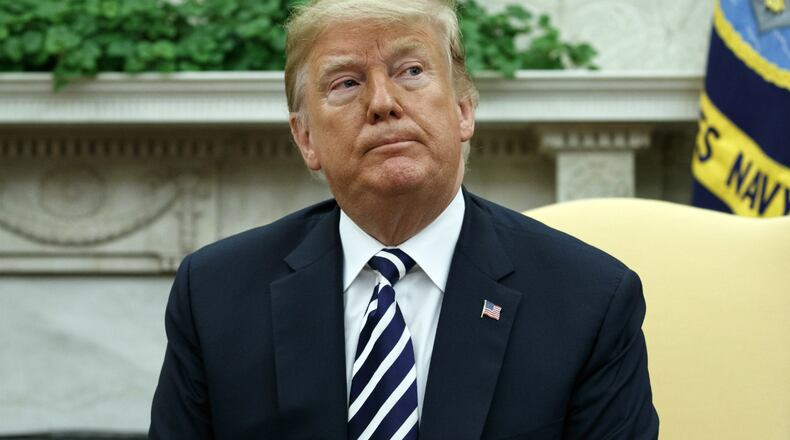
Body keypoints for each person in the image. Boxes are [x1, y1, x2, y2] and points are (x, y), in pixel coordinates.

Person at [149, 0, 659, 438]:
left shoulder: (590, 301)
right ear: (306, 139)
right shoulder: (215, 295)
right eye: (346, 83)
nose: (382, 103)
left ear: (463, 110)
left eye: (411, 71)